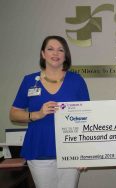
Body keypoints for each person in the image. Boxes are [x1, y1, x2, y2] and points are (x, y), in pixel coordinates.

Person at [9, 35, 90, 188]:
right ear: (43, 54)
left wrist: (83, 152)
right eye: (50, 49)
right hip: (39, 149)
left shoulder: (77, 80)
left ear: (65, 55)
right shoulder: (29, 81)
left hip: (70, 150)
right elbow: (14, 114)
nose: (55, 53)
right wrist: (37, 114)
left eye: (60, 50)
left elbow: (87, 117)